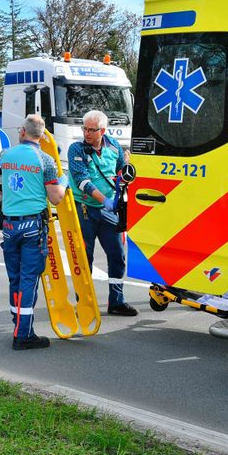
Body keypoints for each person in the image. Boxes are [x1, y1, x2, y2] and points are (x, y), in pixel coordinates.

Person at [0, 114, 67, 350]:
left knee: (15, 278)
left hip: (9, 226)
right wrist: (64, 180)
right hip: (32, 227)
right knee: (29, 278)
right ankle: (23, 333)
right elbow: (56, 198)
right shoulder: (45, 160)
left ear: (22, 132)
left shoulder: (6, 155)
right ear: (42, 135)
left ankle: (17, 321)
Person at [68, 110, 137, 316]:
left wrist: (127, 167)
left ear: (103, 130)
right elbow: (82, 181)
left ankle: (116, 301)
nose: (86, 133)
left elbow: (121, 173)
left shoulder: (114, 146)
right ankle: (84, 303)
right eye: (85, 128)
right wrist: (104, 200)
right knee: (84, 257)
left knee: (117, 254)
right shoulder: (76, 148)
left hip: (109, 211)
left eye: (91, 129)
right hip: (85, 209)